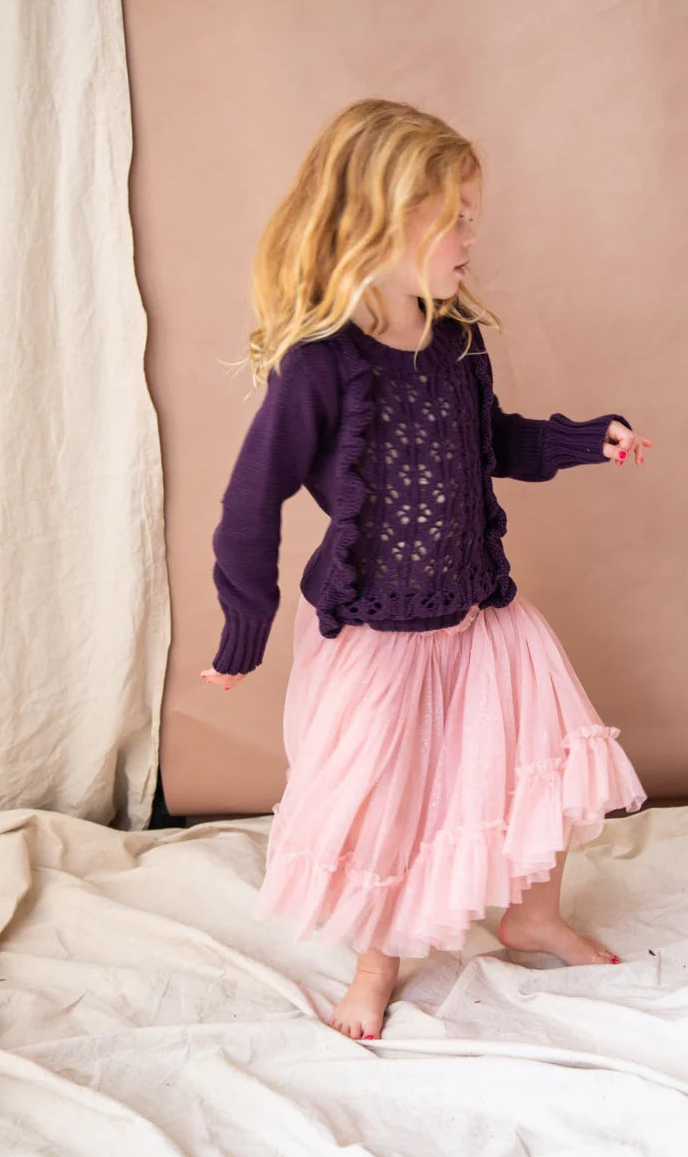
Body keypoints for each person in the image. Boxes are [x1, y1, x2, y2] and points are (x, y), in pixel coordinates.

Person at [202, 98, 652, 1042]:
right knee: (393, 796)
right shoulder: (319, 366)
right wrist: (243, 623)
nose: (472, 238)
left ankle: (529, 912)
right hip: (376, 627)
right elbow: (249, 505)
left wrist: (582, 439)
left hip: (480, 606)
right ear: (386, 216)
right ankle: (376, 968)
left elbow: (493, 441)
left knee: (539, 751)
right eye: (460, 216)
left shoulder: (455, 343)